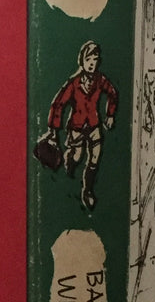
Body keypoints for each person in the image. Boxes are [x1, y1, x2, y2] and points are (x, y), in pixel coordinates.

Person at [45, 41, 118, 210]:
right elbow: (58, 104)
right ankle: (69, 162)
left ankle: (88, 190)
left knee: (94, 158)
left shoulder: (100, 80)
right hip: (76, 127)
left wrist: (110, 114)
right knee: (77, 156)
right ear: (82, 61)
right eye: (89, 59)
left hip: (94, 125)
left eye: (95, 59)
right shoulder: (74, 83)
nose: (92, 63)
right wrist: (53, 129)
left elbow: (112, 93)